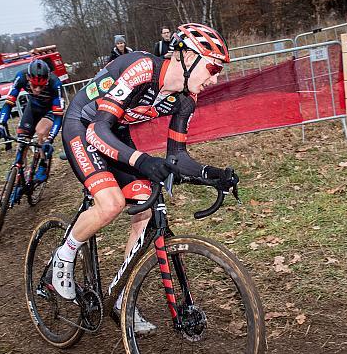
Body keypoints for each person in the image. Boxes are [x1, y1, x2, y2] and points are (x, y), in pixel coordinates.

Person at [53, 22, 238, 333]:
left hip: (116, 131)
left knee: (146, 203)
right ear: (185, 58)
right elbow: (98, 130)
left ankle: (123, 297)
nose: (216, 77)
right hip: (83, 124)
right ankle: (65, 253)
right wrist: (142, 160)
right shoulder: (142, 68)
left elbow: (177, 157)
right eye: (212, 67)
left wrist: (211, 175)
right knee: (110, 203)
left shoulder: (186, 99)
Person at [0, 59, 63, 181]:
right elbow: (8, 103)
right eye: (34, 86)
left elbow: (58, 115)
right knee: (22, 140)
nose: (38, 90)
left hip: (50, 110)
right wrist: (1, 126)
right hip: (33, 108)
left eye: (42, 86)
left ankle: (43, 164)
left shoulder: (55, 83)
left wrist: (49, 139)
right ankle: (18, 169)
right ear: (28, 79)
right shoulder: (21, 77)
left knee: (41, 132)